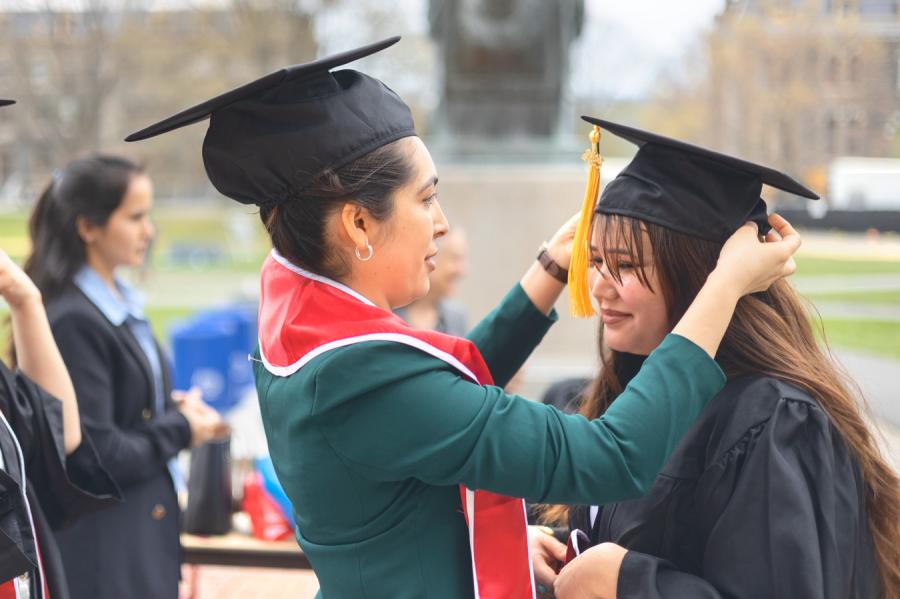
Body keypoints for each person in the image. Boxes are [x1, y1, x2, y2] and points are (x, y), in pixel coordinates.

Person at [124, 37, 801, 599]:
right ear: (359, 223)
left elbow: (441, 392)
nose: (443, 224)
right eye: (427, 200)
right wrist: (724, 285)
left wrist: (549, 269)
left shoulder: (298, 316)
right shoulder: (359, 374)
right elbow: (611, 456)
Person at [537, 118, 898, 599]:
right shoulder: (639, 392)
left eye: (626, 265)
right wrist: (556, 546)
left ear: (697, 277)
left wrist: (627, 582)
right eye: (597, 260)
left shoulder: (773, 420)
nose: (600, 287)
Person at [23, 154, 229, 599]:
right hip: (106, 557)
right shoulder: (73, 321)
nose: (149, 231)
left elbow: (124, 411)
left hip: (137, 540)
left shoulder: (115, 302)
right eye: (135, 217)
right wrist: (181, 427)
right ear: (88, 227)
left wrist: (168, 408)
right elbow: (96, 456)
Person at [395, 227, 469, 335]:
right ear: (429, 256)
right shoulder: (388, 311)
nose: (462, 271)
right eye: (454, 258)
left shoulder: (456, 319)